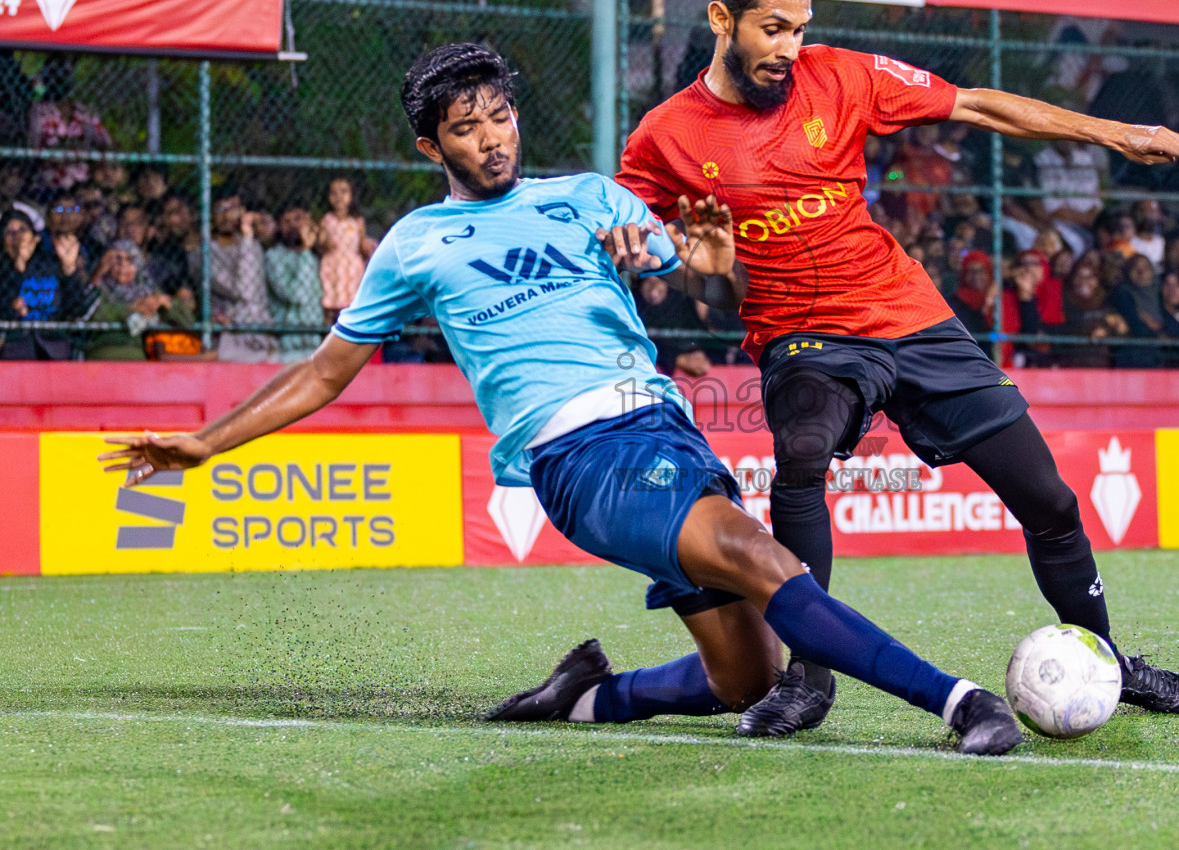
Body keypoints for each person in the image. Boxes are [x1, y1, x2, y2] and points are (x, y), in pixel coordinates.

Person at [101, 43, 1024, 757]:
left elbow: (713, 292)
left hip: (665, 427)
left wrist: (709, 261)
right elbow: (323, 373)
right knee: (758, 554)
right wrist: (203, 445)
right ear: (432, 145)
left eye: (500, 117)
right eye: (467, 129)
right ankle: (960, 702)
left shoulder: (589, 197)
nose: (493, 137)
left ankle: (583, 696)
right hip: (581, 457)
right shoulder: (418, 242)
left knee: (748, 679)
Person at [615, 0, 1179, 735]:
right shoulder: (665, 137)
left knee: (1050, 498)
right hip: (802, 335)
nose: (791, 48)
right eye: (772, 29)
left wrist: (1116, 131)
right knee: (800, 455)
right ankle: (809, 679)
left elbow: (974, 105)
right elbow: (687, 279)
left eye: (800, 28)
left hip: (908, 314)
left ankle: (1106, 658)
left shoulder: (843, 75)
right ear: (722, 20)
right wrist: (698, 268)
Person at [0, 207, 90, 359]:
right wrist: (19, 265)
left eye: (23, 229)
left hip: (54, 342)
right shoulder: (3, 271)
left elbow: (76, 309)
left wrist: (69, 269)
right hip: (15, 344)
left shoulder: (52, 265)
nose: (18, 237)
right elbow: (4, 310)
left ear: (35, 237)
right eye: (10, 232)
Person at [82, 240, 195, 361]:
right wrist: (131, 309)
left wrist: (166, 303)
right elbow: (92, 314)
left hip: (138, 355)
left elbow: (188, 321)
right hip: (104, 353)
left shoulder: (147, 290)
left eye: (130, 260)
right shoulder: (99, 288)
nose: (123, 267)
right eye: (116, 261)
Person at [208, 193, 278, 363]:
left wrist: (251, 237)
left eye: (232, 210)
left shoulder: (253, 244)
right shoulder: (205, 252)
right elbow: (244, 290)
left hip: (260, 328)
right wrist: (247, 238)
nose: (226, 216)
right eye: (220, 210)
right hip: (230, 333)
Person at [266, 206, 325, 362]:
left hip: (314, 341)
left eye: (298, 219)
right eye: (286, 221)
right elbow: (297, 295)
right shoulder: (273, 256)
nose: (293, 225)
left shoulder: (318, 256)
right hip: (288, 344)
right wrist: (305, 250)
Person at [317, 176, 375, 325]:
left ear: (351, 195)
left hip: (351, 268)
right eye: (333, 193)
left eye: (343, 192)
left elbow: (361, 244)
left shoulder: (356, 221)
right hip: (333, 266)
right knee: (331, 307)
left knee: (351, 306)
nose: (338, 197)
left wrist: (368, 247)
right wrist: (325, 243)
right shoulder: (327, 219)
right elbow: (321, 241)